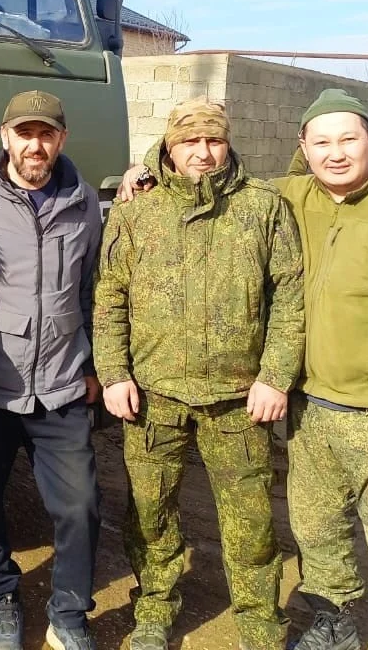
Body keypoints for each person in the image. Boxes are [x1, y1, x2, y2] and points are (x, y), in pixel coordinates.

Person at [119, 88, 368, 650]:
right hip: (287, 408)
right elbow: (119, 282)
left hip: (360, 411)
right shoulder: (274, 198)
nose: (336, 153)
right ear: (303, 148)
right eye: (322, 141)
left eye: (348, 139)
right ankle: (322, 625)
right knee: (308, 532)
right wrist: (142, 172)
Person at [93, 97, 304, 650]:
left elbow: (289, 297)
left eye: (213, 141)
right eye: (190, 142)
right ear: (169, 146)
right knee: (151, 511)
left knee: (251, 521)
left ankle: (260, 622)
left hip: (240, 397)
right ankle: (155, 611)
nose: (203, 153)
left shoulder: (263, 208)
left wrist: (275, 375)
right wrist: (114, 374)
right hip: (153, 393)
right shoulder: (136, 211)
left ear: (227, 143)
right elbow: (109, 297)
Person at [0, 89, 103, 650]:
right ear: (5, 136)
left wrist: (96, 366)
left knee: (81, 506)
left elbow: (93, 289)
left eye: (46, 134)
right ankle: (1, 599)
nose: (35, 144)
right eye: (25, 133)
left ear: (61, 139)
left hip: (63, 383)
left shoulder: (84, 201)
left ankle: (68, 614)